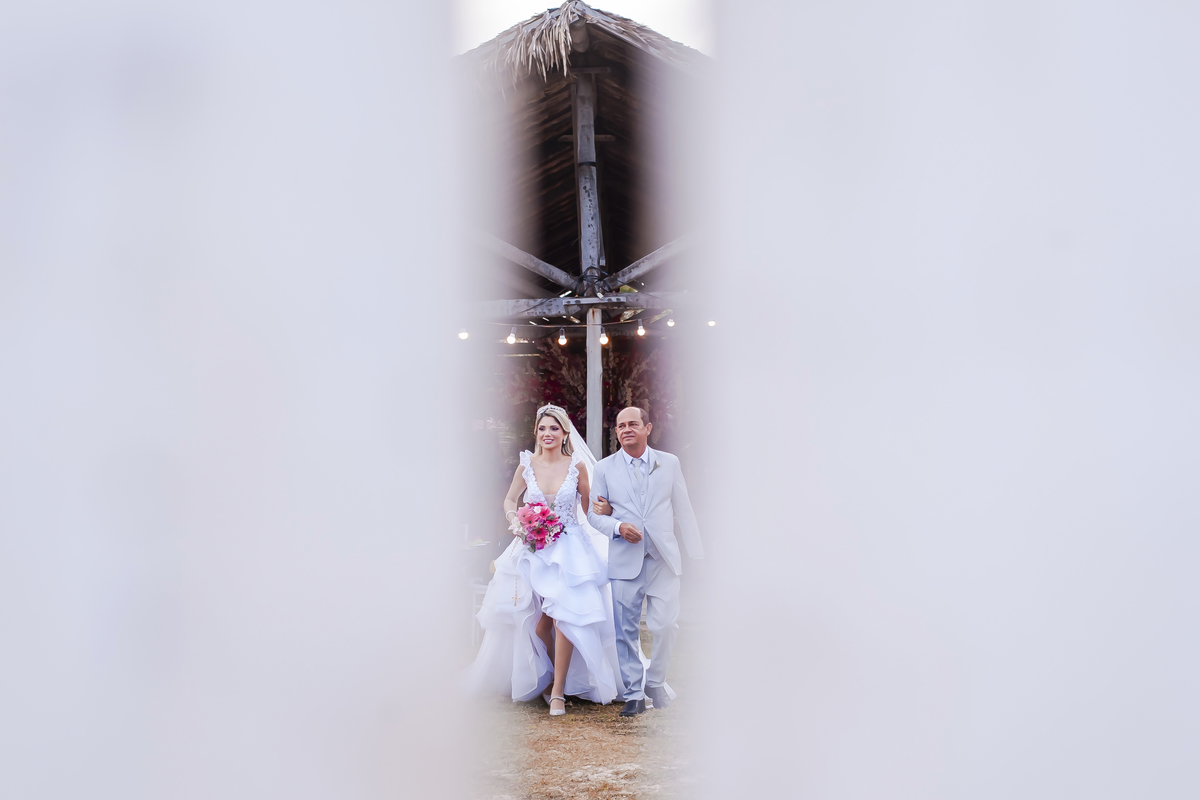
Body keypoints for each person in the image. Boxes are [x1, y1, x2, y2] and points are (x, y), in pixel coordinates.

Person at [465, 405, 620, 715]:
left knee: (565, 617)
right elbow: (510, 499)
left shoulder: (576, 466)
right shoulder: (527, 465)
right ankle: (548, 677)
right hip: (532, 548)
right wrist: (515, 519)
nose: (548, 433)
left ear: (564, 433)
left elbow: (588, 511)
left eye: (554, 428)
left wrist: (606, 512)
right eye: (543, 428)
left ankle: (559, 690)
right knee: (537, 626)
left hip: (569, 550)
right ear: (536, 432)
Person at [587, 406, 704, 716]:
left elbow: (685, 510)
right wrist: (618, 527)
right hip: (625, 561)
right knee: (625, 630)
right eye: (621, 425)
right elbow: (593, 515)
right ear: (616, 432)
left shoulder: (669, 463)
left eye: (633, 424)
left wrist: (697, 555)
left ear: (647, 428)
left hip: (663, 558)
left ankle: (655, 681)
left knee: (666, 625)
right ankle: (634, 693)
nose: (627, 429)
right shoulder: (604, 468)